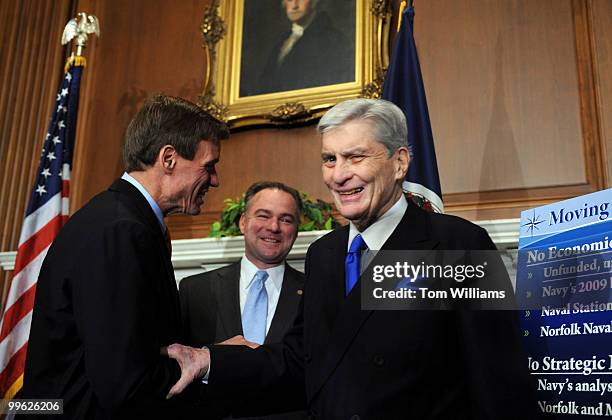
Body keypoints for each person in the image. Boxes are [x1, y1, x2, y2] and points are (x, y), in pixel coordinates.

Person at [165, 99, 539, 419]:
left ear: (399, 162)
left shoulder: (459, 245)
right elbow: (302, 364)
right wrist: (211, 362)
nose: (339, 175)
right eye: (329, 159)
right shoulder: (323, 254)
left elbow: (499, 383)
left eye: (355, 156)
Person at [21, 94, 229, 419]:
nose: (215, 180)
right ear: (169, 158)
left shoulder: (124, 219)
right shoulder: (122, 229)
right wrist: (217, 364)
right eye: (209, 165)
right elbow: (126, 383)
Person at [179, 181, 307, 419]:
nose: (274, 227)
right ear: (242, 222)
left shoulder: (314, 292)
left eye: (286, 219)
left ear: (296, 230)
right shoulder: (195, 289)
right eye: (263, 215)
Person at [248, 0, 354, 96]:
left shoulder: (332, 39)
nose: (294, 6)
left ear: (313, 2)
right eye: (289, 0)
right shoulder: (282, 42)